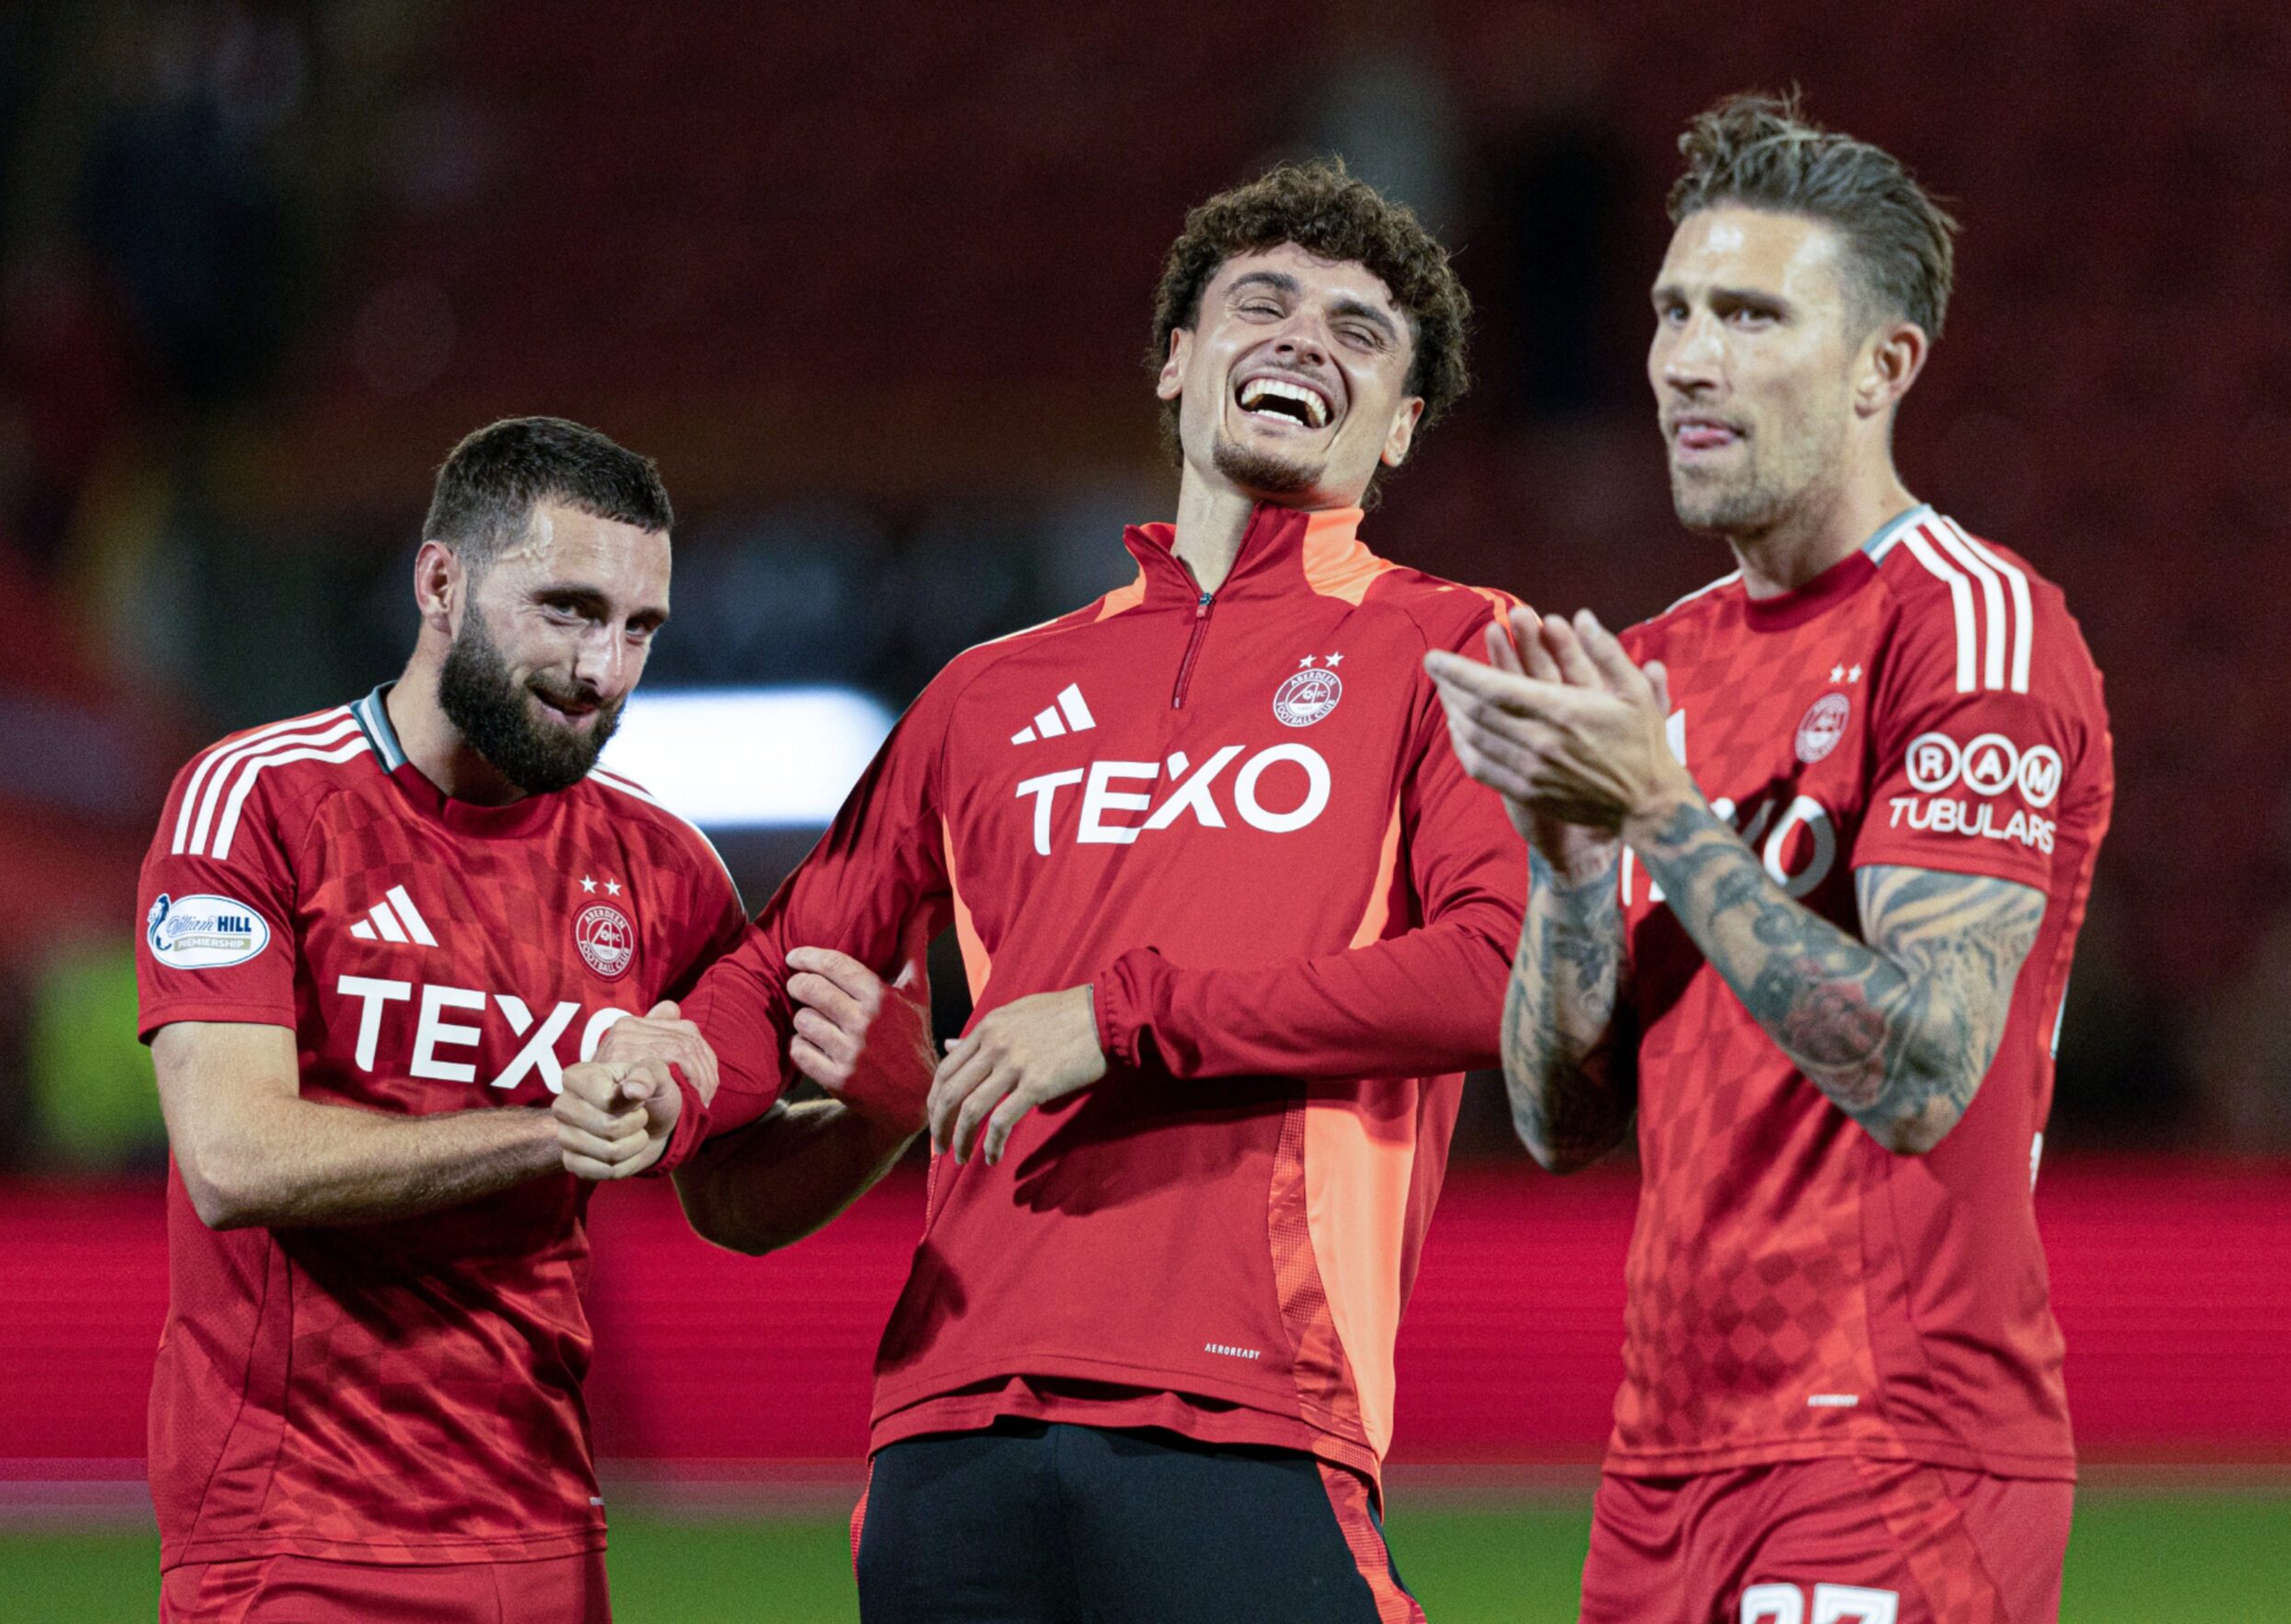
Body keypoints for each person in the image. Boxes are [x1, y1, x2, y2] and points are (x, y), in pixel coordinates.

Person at [559, 161, 1525, 1623]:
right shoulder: (988, 690)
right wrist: (674, 1064)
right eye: (1258, 303)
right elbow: (790, 966)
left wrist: (1123, 1019)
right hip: (952, 1426)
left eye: (1357, 330)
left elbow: (1496, 974)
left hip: (1255, 1412)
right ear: (1176, 360)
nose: (1300, 337)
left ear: (1397, 428)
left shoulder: (1458, 649)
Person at [1426, 94, 2112, 1623]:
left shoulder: (1971, 629)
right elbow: (1559, 1120)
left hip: (1898, 1450)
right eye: (1674, 311)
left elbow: (1929, 1065)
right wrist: (1560, 863)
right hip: (1664, 1467)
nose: (1686, 358)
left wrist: (1667, 818)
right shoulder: (1659, 666)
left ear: (1885, 366)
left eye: (1748, 314)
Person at [134, 416, 928, 1622]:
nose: (602, 669)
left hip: (547, 1538)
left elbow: (725, 1198)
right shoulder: (260, 802)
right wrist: (553, 1131)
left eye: (639, 628)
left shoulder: (663, 865)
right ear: (440, 582)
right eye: (565, 609)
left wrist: (884, 1113)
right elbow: (235, 1157)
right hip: (293, 1537)